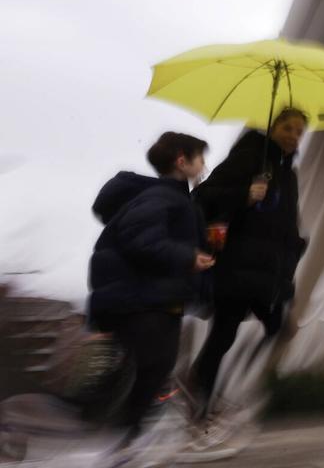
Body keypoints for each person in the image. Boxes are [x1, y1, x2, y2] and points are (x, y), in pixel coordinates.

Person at [87, 132, 214, 456]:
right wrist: (188, 257)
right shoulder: (162, 196)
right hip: (142, 299)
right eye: (200, 158)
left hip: (150, 298)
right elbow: (139, 239)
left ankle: (122, 436)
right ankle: (117, 433)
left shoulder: (175, 198)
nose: (204, 165)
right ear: (182, 161)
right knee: (154, 366)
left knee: (151, 368)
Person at [186, 109, 308, 422]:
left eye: (299, 131)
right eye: (288, 128)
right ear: (272, 127)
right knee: (225, 335)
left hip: (269, 271)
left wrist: (295, 246)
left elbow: (285, 222)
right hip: (238, 265)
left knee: (276, 328)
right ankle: (202, 404)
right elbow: (202, 197)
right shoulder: (248, 157)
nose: (294, 136)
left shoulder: (288, 174)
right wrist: (244, 195)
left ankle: (207, 390)